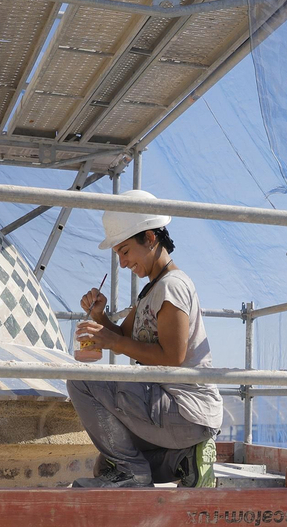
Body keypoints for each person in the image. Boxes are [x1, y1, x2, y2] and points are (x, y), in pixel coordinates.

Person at [68, 193, 221, 488]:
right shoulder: (152, 290)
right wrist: (100, 318)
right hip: (175, 415)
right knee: (106, 465)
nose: (123, 263)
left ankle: (133, 472)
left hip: (184, 409)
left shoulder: (172, 286)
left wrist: (109, 340)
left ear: (150, 238)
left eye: (125, 251)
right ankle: (186, 460)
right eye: (118, 255)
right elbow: (124, 336)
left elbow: (172, 357)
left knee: (80, 381)